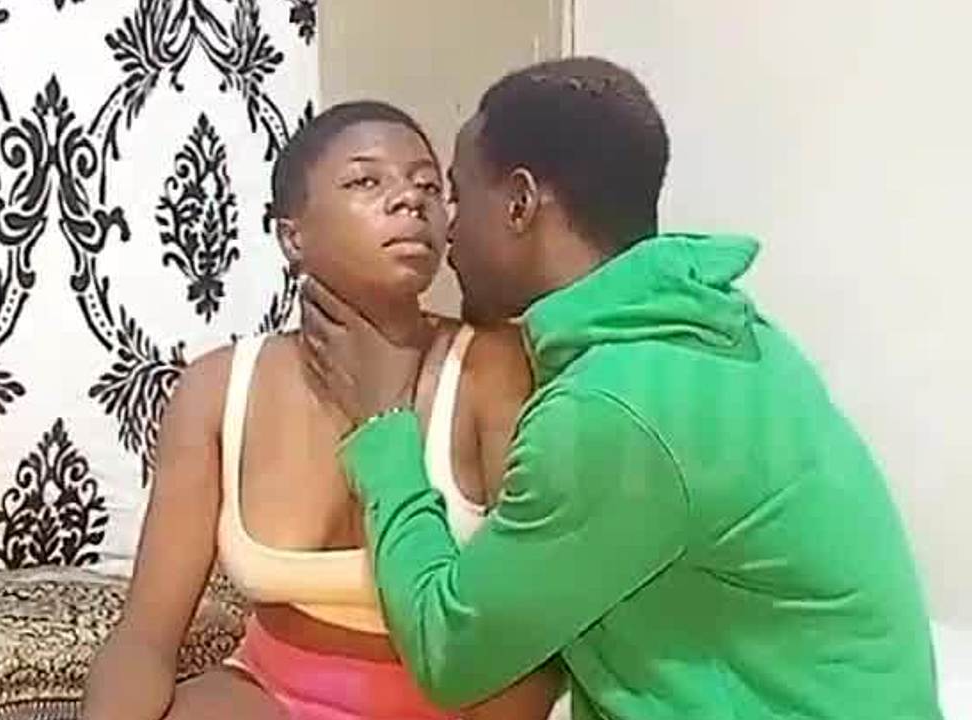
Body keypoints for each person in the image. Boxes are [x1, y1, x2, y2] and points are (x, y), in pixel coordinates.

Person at [301, 58, 944, 720]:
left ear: (519, 204)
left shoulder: (609, 409)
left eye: (458, 197)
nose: (446, 231)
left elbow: (451, 652)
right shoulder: (717, 326)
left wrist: (383, 425)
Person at [82, 101, 563, 720]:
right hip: (270, 689)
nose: (410, 200)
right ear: (293, 236)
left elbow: (529, 641)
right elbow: (145, 639)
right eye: (366, 181)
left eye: (427, 186)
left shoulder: (492, 370)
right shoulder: (218, 387)